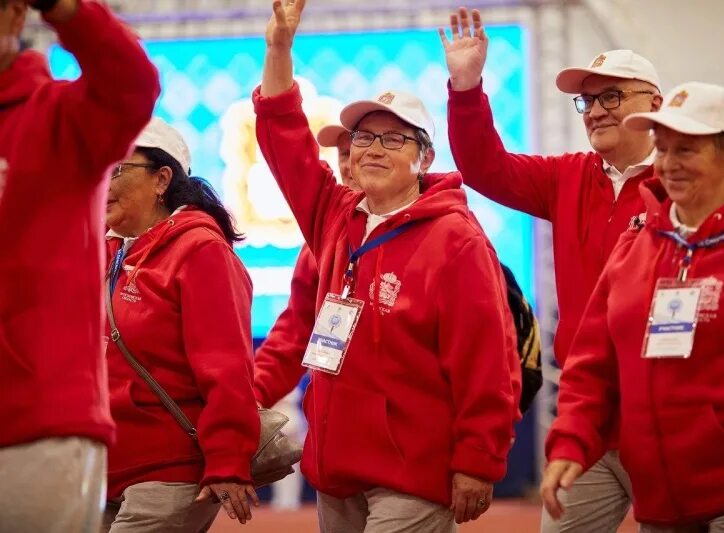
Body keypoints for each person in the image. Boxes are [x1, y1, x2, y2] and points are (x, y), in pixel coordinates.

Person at [253, 1, 520, 530]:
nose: (373, 150)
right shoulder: (335, 217)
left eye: (394, 139)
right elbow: (286, 139)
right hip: (336, 471)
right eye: (365, 138)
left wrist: (478, 459)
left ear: (423, 158)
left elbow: (487, 359)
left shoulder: (456, 239)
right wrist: (278, 50)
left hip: (412, 474)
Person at [541, 81, 724, 532]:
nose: (668, 165)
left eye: (687, 150)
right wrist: (570, 441)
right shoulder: (631, 250)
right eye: (662, 149)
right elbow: (592, 366)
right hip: (661, 505)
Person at [441, 7, 662, 530]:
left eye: (613, 96)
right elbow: (483, 167)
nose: (596, 111)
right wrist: (467, 88)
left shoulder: (682, 181)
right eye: (589, 100)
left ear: (654, 102)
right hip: (586, 412)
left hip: (663, 403)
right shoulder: (567, 176)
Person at [0, 0, 159, 531]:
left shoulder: (59, 117)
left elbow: (132, 85)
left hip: (36, 431)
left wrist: (69, 10)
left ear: (15, 16)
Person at [102, 118, 260, 531]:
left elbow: (227, 368)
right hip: (101, 469)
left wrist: (228, 459)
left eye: (116, 169)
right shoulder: (111, 252)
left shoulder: (200, 250)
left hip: (167, 472)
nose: (102, 183)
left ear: (162, 179)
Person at [255, 122, 354, 511]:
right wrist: (249, 398)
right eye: (344, 152)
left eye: (383, 141)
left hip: (416, 458)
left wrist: (477, 453)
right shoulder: (323, 242)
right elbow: (295, 332)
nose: (355, 160)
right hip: (338, 458)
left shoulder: (446, 232)